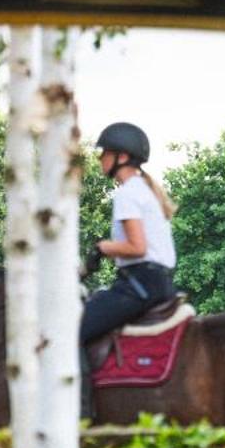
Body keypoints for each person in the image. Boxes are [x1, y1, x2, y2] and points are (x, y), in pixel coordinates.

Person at [80, 121, 178, 356]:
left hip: (140, 285)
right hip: (158, 283)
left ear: (121, 157)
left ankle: (77, 394)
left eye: (104, 153)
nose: (99, 158)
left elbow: (137, 247)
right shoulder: (144, 190)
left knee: (70, 332)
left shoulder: (128, 193)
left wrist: (104, 247)